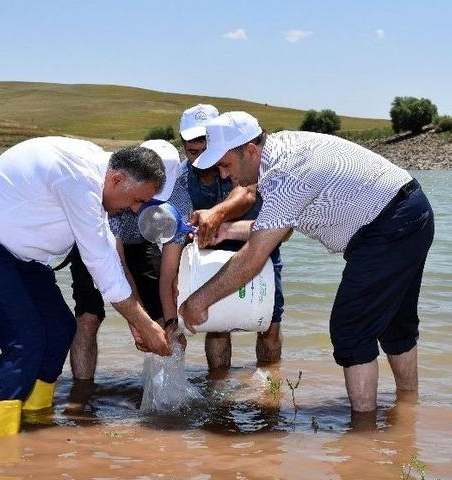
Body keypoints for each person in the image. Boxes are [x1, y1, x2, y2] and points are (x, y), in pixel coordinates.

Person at [179, 112, 434, 413]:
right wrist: (226, 230)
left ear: (249, 150)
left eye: (226, 165)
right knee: (394, 323)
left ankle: (363, 433)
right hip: (408, 211)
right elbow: (280, 228)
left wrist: (198, 301)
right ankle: (408, 408)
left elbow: (251, 259)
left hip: (389, 225)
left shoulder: (286, 174)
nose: (223, 175)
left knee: (351, 329)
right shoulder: (282, 152)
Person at [0, 136, 171, 438]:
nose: (133, 209)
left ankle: (35, 424)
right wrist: (143, 322)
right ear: (117, 179)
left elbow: (109, 259)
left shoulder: (100, 178)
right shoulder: (78, 177)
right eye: (137, 200)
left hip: (23, 257)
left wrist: (137, 321)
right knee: (25, 341)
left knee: (61, 329)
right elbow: (98, 261)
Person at [67, 139, 192, 381]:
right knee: (89, 316)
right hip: (96, 241)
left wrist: (169, 320)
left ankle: (165, 393)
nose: (141, 207)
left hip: (142, 245)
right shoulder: (117, 190)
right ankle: (82, 394)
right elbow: (117, 264)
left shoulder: (180, 201)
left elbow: (168, 273)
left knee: (164, 322)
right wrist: (136, 322)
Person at [178, 104, 285, 371]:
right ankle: (218, 393)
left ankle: (270, 391)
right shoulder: (180, 178)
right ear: (183, 146)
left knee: (270, 325)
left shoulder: (242, 163)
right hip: (207, 254)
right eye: (193, 151)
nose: (202, 158)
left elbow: (247, 193)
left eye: (208, 149)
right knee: (216, 326)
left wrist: (217, 213)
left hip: (258, 244)